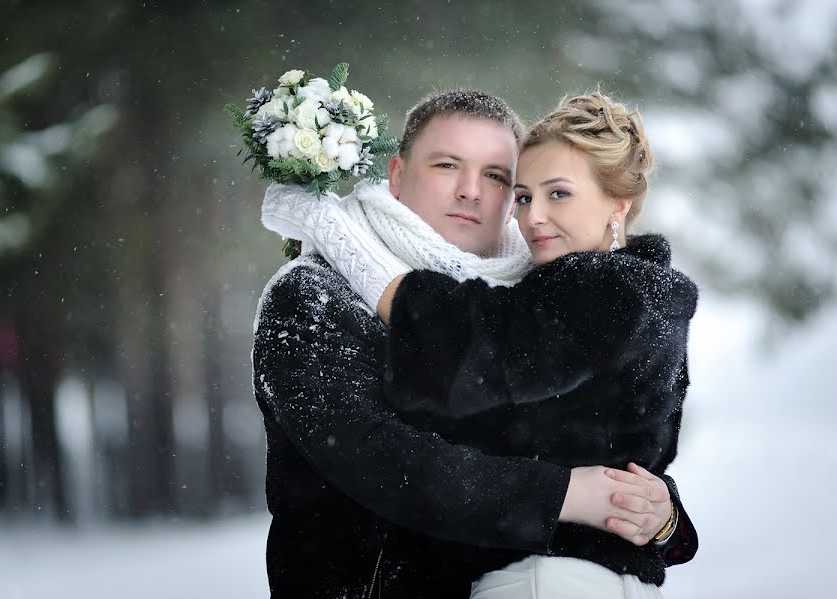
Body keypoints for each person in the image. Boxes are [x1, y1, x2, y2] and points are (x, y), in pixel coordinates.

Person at [254, 89, 697, 599]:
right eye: (447, 165)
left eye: (496, 177)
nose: (471, 191)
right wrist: (566, 496)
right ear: (396, 175)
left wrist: (660, 512)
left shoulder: (538, 295)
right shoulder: (314, 293)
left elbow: (590, 441)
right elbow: (383, 464)